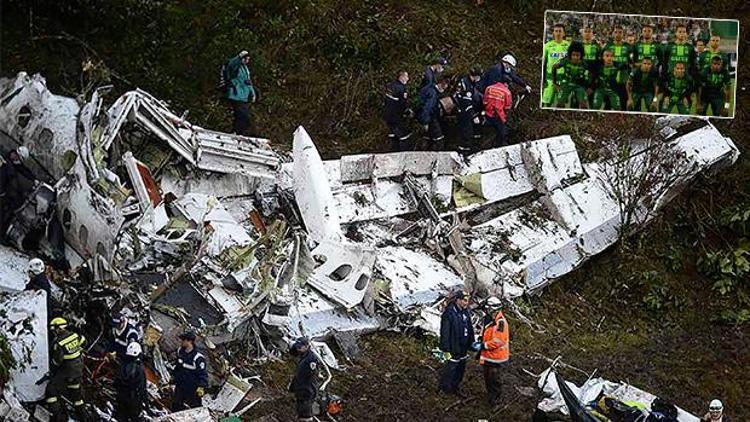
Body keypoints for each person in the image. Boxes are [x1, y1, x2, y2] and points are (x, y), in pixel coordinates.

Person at [42, 317, 87, 422]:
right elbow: (84, 342)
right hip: (79, 370)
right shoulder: (75, 335)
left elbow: (57, 361)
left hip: (67, 372)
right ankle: (83, 417)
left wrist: (52, 371)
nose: (54, 332)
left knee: (51, 390)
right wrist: (78, 351)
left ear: (58, 328)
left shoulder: (59, 343)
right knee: (76, 395)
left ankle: (58, 417)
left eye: (54, 330)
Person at [438, 290, 474, 395]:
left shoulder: (465, 312)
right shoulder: (449, 313)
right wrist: (445, 349)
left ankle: (455, 387)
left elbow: (469, 328)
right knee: (450, 370)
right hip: (453, 347)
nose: (466, 303)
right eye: (464, 300)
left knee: (460, 370)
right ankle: (445, 390)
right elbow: (445, 332)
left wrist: (471, 343)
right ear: (458, 300)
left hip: (463, 348)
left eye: (467, 301)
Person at [0, 146, 35, 242]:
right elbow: (2, 178)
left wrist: (33, 179)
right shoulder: (5, 163)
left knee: (10, 211)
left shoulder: (12, 163)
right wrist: (2, 192)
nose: (18, 160)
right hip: (3, 193)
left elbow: (23, 170)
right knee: (4, 213)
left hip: (6, 192)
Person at [479, 298, 509, 407]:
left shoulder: (500, 323)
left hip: (497, 358)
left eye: (488, 308)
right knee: (488, 378)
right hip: (489, 356)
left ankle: (496, 402)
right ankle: (490, 397)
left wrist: (483, 345)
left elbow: (498, 341)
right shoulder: (490, 319)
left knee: (494, 380)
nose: (486, 310)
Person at [171, 330, 208, 411]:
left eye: (183, 340)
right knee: (176, 406)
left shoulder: (198, 357)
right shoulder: (180, 351)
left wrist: (201, 386)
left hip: (192, 388)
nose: (181, 341)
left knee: (195, 409)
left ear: (190, 341)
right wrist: (173, 379)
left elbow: (203, 373)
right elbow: (178, 367)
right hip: (180, 386)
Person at [225, 50, 257, 136]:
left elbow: (248, 82)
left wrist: (253, 94)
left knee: (243, 116)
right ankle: (236, 132)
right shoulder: (236, 67)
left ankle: (239, 132)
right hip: (235, 94)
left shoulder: (245, 69)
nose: (247, 61)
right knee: (242, 115)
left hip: (244, 96)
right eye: (246, 59)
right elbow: (231, 65)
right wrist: (239, 57)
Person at [288, 337, 321, 422]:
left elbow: (312, 375)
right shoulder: (302, 355)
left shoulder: (311, 358)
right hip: (300, 389)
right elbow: (292, 352)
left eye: (300, 347)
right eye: (297, 347)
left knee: (305, 414)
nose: (298, 348)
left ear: (306, 346)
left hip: (307, 390)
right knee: (300, 411)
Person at [552, 41, 591, 109]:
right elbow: (554, 67)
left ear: (581, 55)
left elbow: (592, 73)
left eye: (577, 55)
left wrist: (590, 87)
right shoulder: (565, 60)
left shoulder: (584, 63)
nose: (575, 57)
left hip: (579, 85)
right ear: (570, 54)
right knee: (560, 104)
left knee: (584, 105)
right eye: (573, 55)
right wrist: (554, 83)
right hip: (566, 83)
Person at [114, 342, 147, 422]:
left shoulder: (123, 365)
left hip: (121, 398)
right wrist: (144, 400)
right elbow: (141, 387)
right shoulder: (139, 368)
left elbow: (116, 382)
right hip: (134, 400)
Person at [454, 67, 483, 155]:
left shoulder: (469, 82)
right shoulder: (466, 84)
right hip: (463, 111)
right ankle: (464, 152)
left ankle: (471, 148)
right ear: (475, 76)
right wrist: (473, 116)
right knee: (467, 132)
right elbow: (466, 102)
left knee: (472, 130)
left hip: (466, 109)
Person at [604, 26, 633, 110]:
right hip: (610, 79)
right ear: (613, 33)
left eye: (620, 32)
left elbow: (631, 62)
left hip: (623, 80)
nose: (617, 34)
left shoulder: (628, 47)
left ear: (623, 34)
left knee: (623, 103)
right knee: (608, 104)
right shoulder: (608, 46)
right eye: (616, 32)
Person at [383, 70, 413, 152]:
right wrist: (407, 112)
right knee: (404, 136)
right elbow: (402, 103)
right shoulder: (402, 88)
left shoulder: (390, 86)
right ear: (402, 77)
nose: (408, 79)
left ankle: (392, 151)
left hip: (387, 115)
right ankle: (405, 153)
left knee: (392, 135)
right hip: (396, 116)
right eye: (406, 76)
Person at [542, 23, 571, 107]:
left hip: (563, 79)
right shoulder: (547, 46)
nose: (558, 33)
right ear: (553, 33)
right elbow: (544, 63)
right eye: (556, 31)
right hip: (550, 78)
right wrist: (543, 79)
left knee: (561, 103)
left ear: (564, 33)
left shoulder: (568, 46)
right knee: (547, 102)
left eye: (560, 31)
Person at [418, 77, 449, 150]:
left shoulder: (429, 88)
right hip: (430, 118)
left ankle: (423, 151)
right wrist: (425, 122)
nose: (443, 91)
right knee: (438, 137)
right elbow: (427, 108)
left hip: (425, 116)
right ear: (441, 85)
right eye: (444, 89)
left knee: (427, 137)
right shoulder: (433, 94)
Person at [484, 81, 512, 147]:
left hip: (487, 113)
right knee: (502, 131)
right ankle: (499, 145)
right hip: (498, 115)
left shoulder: (489, 88)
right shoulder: (507, 92)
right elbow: (507, 107)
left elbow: (484, 101)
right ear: (506, 84)